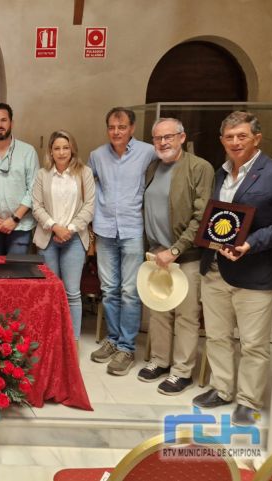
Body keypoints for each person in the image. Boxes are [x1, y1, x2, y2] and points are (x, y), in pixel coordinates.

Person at [193, 111, 272, 425]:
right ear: (222, 141)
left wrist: (252, 243)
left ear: (256, 138)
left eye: (242, 136)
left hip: (256, 274)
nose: (235, 142)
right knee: (217, 336)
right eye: (229, 137)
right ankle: (221, 388)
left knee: (253, 343)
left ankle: (248, 400)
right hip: (216, 269)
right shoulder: (220, 174)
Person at [136, 118, 214, 395]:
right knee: (159, 310)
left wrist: (176, 249)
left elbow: (202, 216)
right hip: (158, 254)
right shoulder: (154, 167)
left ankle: (182, 371)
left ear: (182, 137)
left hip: (186, 255)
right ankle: (160, 360)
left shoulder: (199, 168)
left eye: (169, 137)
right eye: (158, 138)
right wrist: (159, 250)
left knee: (186, 315)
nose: (163, 142)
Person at [88, 107, 158, 376]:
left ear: (132, 128)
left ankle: (127, 348)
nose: (116, 132)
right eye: (112, 127)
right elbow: (91, 188)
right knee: (109, 289)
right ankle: (113, 340)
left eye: (122, 127)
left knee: (130, 291)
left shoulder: (147, 152)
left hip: (131, 230)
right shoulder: (96, 156)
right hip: (105, 229)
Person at [31, 130, 94, 340]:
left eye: (65, 147)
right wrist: (55, 227)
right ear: (50, 150)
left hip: (74, 239)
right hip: (48, 239)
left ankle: (72, 342)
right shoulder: (42, 174)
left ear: (72, 149)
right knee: (50, 292)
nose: (61, 152)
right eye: (57, 148)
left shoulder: (84, 173)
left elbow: (89, 206)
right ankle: (52, 340)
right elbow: (36, 206)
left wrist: (70, 229)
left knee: (72, 293)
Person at [0, 103, 39, 255]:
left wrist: (14, 219)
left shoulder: (28, 152)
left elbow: (34, 189)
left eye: (3, 120)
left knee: (16, 275)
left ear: (11, 123)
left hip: (20, 226)